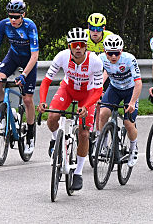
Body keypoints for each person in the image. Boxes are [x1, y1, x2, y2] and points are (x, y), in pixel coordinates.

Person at [39, 27, 104, 191]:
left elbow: (97, 90)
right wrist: (42, 101)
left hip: (87, 95)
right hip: (67, 90)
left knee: (83, 133)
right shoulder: (62, 57)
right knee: (52, 117)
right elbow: (46, 81)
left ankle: (78, 172)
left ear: (85, 47)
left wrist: (86, 106)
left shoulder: (95, 61)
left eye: (81, 44)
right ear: (69, 46)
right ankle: (56, 140)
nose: (77, 48)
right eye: (74, 44)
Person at [0, 0, 40, 156]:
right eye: (11, 16)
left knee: (27, 100)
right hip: (13, 56)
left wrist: (24, 74)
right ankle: (5, 112)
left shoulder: (29, 26)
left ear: (23, 15)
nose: (13, 19)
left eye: (16, 16)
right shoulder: (3, 24)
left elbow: (35, 55)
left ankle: (30, 134)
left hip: (29, 61)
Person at [96, 34, 143, 167]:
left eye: (116, 53)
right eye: (110, 53)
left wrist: (132, 102)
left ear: (121, 51)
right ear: (105, 52)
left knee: (128, 123)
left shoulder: (129, 59)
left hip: (130, 90)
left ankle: (134, 149)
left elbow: (138, 83)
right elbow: (95, 77)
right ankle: (103, 145)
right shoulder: (101, 59)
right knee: (103, 113)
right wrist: (97, 91)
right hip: (115, 88)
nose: (113, 57)